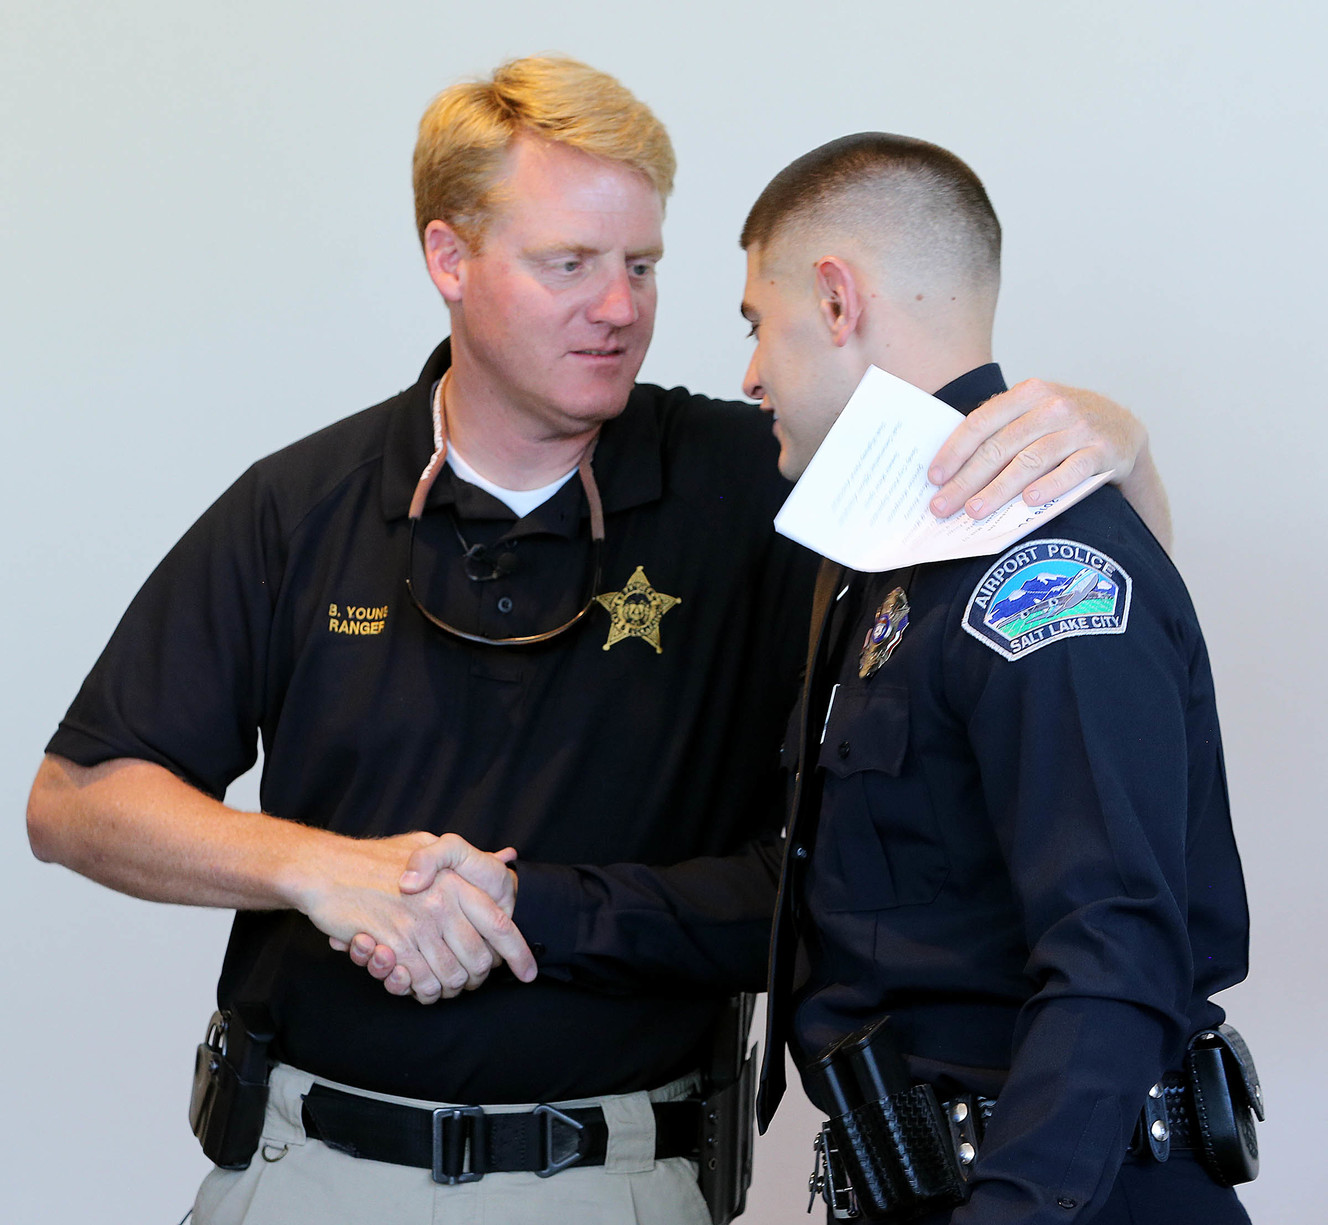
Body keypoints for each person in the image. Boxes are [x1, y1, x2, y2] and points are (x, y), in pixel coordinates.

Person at [27, 58, 1162, 1225]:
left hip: (623, 1178)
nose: (618, 306)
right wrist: (321, 869)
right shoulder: (301, 503)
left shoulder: (766, 481)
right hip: (309, 1168)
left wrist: (1117, 444)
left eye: (641, 266)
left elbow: (1082, 623)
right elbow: (72, 799)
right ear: (449, 259)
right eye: (568, 264)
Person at [742, 133, 1252, 1223]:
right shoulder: (892, 555)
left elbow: (1112, 946)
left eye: (755, 322)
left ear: (835, 301)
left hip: (1059, 1196)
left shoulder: (1038, 562)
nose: (748, 373)